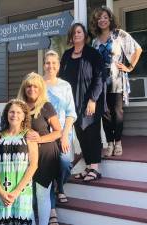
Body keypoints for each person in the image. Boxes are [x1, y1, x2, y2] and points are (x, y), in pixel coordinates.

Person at [90, 6, 142, 156]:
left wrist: (130, 67)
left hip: (117, 79)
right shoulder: (94, 41)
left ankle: (118, 141)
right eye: (99, 18)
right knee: (105, 113)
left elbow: (137, 49)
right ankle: (110, 143)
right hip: (100, 81)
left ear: (110, 19)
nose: (102, 20)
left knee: (117, 112)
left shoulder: (119, 35)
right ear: (96, 21)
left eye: (105, 17)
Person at [59, 23, 105, 182]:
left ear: (84, 35)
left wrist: (93, 99)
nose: (76, 35)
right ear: (71, 37)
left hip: (90, 100)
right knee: (80, 134)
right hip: (73, 102)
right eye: (74, 32)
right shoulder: (66, 55)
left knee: (92, 133)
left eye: (79, 32)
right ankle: (87, 166)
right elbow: (61, 79)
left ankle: (95, 168)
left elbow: (99, 78)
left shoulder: (93, 54)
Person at [17, 72, 62, 225]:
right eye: (29, 86)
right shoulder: (19, 108)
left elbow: (58, 132)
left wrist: (40, 139)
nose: (32, 89)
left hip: (45, 155)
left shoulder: (46, 106)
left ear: (40, 88)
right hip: (24, 157)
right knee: (26, 195)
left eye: (35, 86)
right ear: (24, 88)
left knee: (42, 195)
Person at [0, 99, 38, 225]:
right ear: (7, 114)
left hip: (21, 191)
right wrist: (0, 192)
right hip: (1, 192)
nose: (14, 115)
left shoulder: (29, 135)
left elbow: (33, 165)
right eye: (11, 112)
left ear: (24, 116)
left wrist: (17, 191)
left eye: (18, 112)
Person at [43, 50, 77, 224]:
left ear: (58, 66)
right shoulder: (38, 85)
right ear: (43, 65)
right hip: (45, 136)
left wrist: (64, 135)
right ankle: (52, 210)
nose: (50, 66)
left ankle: (60, 185)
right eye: (47, 63)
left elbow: (71, 113)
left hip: (63, 132)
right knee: (48, 169)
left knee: (64, 163)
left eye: (53, 63)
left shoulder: (65, 86)